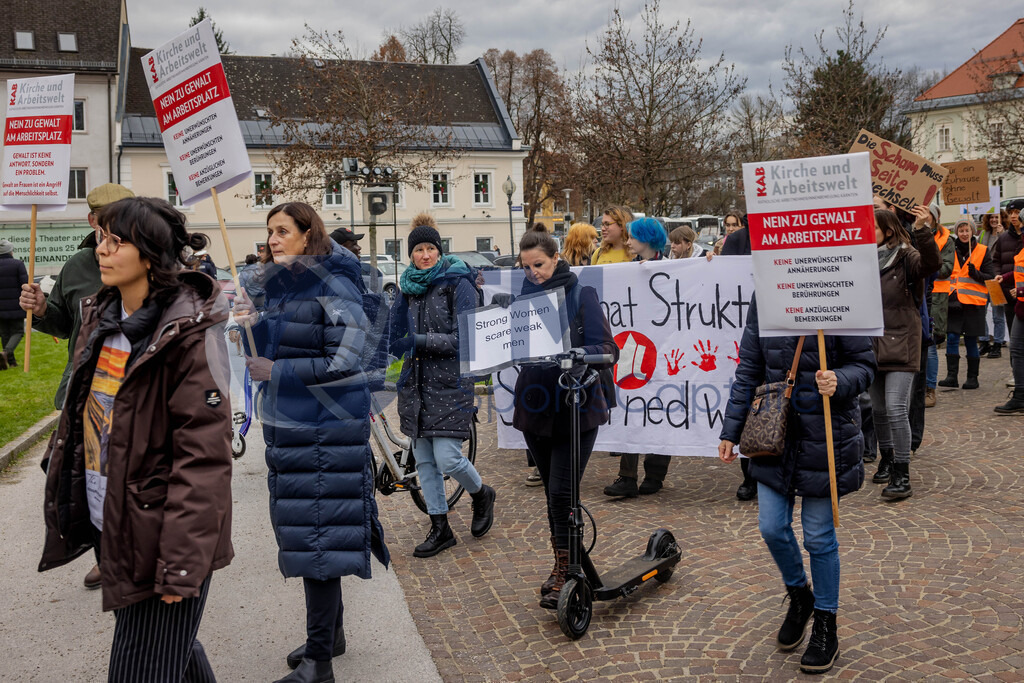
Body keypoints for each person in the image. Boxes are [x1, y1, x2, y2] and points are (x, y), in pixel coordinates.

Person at [38, 196, 233, 682]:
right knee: (171, 652)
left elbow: (203, 458)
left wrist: (181, 563)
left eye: (116, 241)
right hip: (112, 524)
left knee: (140, 666)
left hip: (161, 536)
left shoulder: (189, 333)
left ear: (148, 255)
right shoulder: (101, 319)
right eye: (102, 238)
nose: (101, 250)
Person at [234, 201, 390, 683]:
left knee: (318, 541)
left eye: (283, 231)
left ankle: (319, 664)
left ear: (309, 235)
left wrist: (277, 371)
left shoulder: (334, 284)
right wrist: (252, 326)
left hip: (326, 432)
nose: (273, 239)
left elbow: (346, 359)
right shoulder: (287, 286)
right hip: (296, 430)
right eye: (270, 231)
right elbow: (284, 342)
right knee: (313, 538)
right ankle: (330, 637)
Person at [718, 296, 875, 675]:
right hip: (775, 432)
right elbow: (749, 367)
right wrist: (731, 428)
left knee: (819, 536)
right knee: (771, 526)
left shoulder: (838, 291)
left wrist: (840, 379)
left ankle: (825, 623)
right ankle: (799, 595)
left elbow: (865, 365)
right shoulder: (765, 294)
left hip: (827, 433)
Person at [19, 182, 135, 591]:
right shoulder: (79, 265)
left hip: (135, 388)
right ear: (92, 221)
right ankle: (107, 554)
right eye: (108, 220)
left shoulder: (150, 258)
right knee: (90, 480)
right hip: (86, 392)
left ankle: (131, 551)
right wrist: (41, 310)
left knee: (130, 477)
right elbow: (66, 325)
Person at [512, 230, 618, 608]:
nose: (533, 273)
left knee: (562, 493)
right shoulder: (523, 298)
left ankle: (569, 572)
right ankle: (563, 565)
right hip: (535, 409)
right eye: (526, 267)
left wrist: (576, 355)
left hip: (576, 409)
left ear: (556, 258)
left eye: (539, 264)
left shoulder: (580, 293)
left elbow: (609, 349)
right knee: (553, 495)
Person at [389, 214, 496, 558]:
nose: (424, 255)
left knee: (448, 458)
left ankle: (481, 493)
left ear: (439, 250)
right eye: (418, 250)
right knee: (424, 462)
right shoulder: (408, 287)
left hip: (450, 382)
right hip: (416, 385)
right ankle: (440, 527)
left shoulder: (458, 283)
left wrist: (418, 340)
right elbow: (393, 331)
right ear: (410, 254)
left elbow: (465, 339)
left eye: (430, 249)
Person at [869, 208, 940, 500]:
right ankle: (886, 458)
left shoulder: (906, 255)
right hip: (872, 344)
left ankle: (902, 473)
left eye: (873, 227)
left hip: (902, 342)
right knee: (878, 409)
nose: (867, 232)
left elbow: (931, 264)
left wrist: (922, 230)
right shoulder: (862, 260)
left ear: (888, 230)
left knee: (896, 407)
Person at [604, 217, 672, 498]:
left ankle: (655, 473)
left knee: (661, 408)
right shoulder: (628, 270)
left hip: (665, 350)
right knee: (630, 408)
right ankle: (627, 476)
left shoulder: (673, 268)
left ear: (647, 239)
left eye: (633, 237)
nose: (628, 241)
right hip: (634, 348)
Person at [716, 212, 758, 499]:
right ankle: (750, 476)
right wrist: (709, 263)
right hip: (740, 324)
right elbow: (722, 277)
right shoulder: (739, 239)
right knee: (748, 398)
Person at [937, 216, 994, 391]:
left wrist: (976, 273)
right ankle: (951, 376)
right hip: (953, 302)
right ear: (957, 232)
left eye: (967, 230)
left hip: (974, 303)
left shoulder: (982, 250)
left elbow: (990, 276)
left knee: (970, 340)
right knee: (952, 338)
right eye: (960, 230)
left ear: (972, 232)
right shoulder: (950, 250)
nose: (964, 233)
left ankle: (972, 378)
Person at [990, 198, 1024, 389]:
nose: (1013, 216)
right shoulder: (1003, 238)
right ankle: (1016, 374)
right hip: (1009, 294)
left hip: (1020, 293)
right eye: (1010, 213)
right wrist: (1000, 276)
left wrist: (1019, 289)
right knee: (1014, 339)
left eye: (1017, 212)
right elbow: (996, 261)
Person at [993, 240, 1024, 413]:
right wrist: (1005, 277)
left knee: (1017, 350)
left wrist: (1021, 291)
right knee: (1017, 350)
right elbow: (1020, 271)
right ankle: (1020, 396)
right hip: (1021, 308)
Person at [978, 211, 1007, 357]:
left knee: (997, 316)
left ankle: (997, 344)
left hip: (996, 280)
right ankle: (984, 342)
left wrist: (1002, 234)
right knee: (980, 313)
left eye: (997, 217)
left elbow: (1006, 252)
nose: (994, 220)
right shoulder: (984, 234)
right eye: (991, 217)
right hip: (984, 279)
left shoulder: (1006, 234)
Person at [0, 239, 28, 370]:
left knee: (5, 333)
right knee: (18, 331)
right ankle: (6, 353)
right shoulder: (17, 264)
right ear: (10, 251)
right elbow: (25, 284)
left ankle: (10, 362)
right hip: (16, 305)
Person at [329, 226, 382, 293]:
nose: (359, 248)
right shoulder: (340, 276)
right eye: (354, 244)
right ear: (341, 249)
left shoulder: (350, 271)